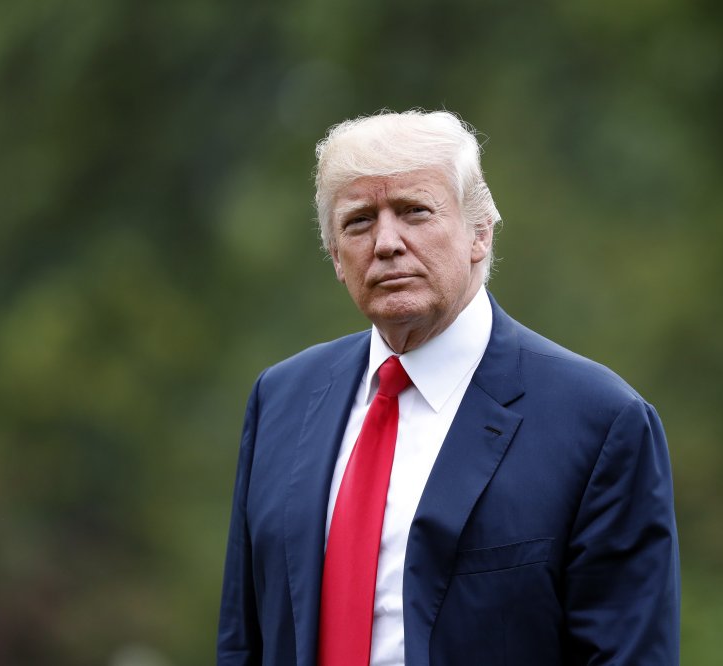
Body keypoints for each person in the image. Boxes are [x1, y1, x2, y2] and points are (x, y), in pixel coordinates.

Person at [217, 109, 680, 666]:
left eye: (415, 211)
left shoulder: (600, 421)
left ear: (479, 232)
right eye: (359, 221)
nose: (387, 242)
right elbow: (245, 638)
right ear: (337, 257)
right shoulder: (281, 400)